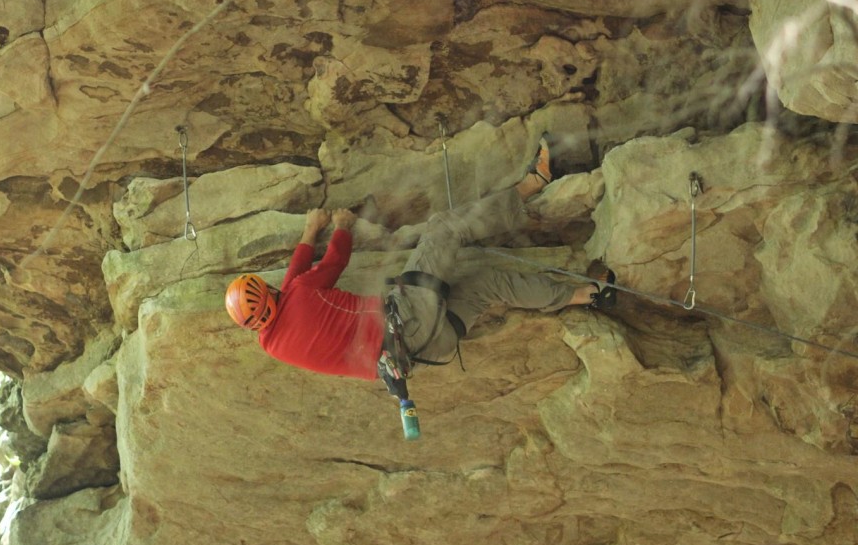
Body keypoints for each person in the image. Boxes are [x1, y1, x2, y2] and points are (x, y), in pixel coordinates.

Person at [224, 136, 615, 393]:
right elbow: (334, 262)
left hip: (427, 351)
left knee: (489, 283)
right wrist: (338, 226)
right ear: (271, 293)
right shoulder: (300, 295)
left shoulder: (271, 343)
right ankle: (532, 185)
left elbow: (295, 283)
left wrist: (308, 233)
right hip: (408, 316)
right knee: (445, 229)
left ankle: (587, 294)